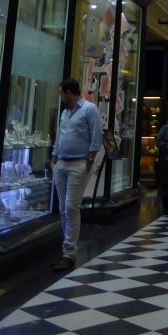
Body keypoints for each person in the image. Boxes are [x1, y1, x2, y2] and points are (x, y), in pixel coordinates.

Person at [50, 77, 103, 272]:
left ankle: (69, 253)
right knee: (63, 209)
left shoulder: (90, 109)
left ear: (69, 92)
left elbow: (96, 135)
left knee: (71, 207)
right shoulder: (66, 112)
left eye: (61, 93)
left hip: (79, 164)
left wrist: (90, 159)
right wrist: (54, 157)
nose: (61, 97)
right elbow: (61, 135)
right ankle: (66, 248)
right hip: (61, 163)